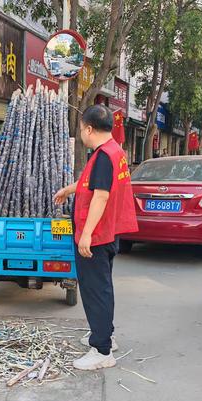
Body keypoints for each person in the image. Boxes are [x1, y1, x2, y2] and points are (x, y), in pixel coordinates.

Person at [54, 104, 138, 371]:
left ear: (89, 129)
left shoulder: (102, 157)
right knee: (103, 289)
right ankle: (105, 336)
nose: (81, 133)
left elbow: (101, 195)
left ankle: (101, 350)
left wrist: (86, 234)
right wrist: (70, 189)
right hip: (109, 233)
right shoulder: (116, 152)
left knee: (95, 292)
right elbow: (94, 185)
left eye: (81, 129)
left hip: (97, 236)